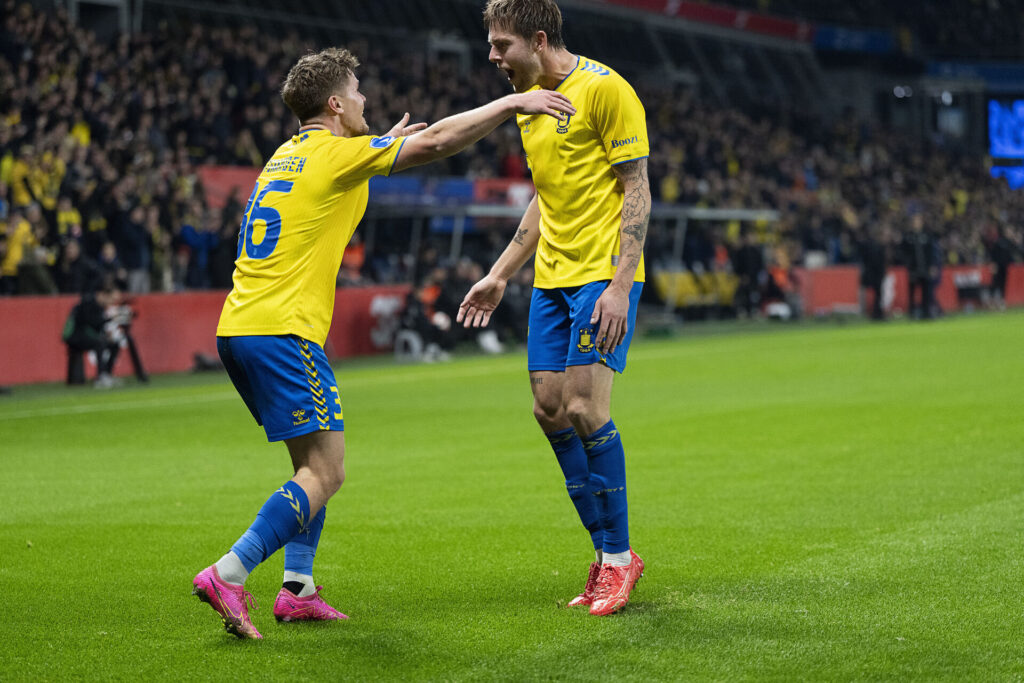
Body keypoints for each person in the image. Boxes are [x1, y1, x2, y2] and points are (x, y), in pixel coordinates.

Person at [192, 46, 575, 640]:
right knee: (327, 472)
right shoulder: (336, 152)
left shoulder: (286, 156)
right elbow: (439, 143)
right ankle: (229, 573)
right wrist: (513, 100)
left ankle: (297, 590)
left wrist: (372, 149)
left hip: (240, 327)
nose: (368, 99)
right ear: (337, 104)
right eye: (358, 91)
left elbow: (342, 177)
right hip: (282, 330)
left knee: (308, 464)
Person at [457, 0, 649, 616]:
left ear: (538, 40)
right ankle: (603, 555)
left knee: (586, 407)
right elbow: (546, 198)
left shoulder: (606, 90)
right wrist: (499, 274)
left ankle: (620, 560)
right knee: (548, 409)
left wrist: (621, 285)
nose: (493, 57)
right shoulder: (531, 105)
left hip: (601, 276)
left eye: (501, 45)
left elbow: (637, 188)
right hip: (551, 280)